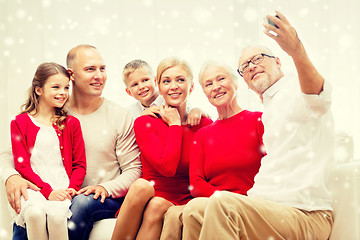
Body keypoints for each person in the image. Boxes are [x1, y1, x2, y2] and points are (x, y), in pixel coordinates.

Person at [182, 11, 335, 240]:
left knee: (223, 206)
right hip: (267, 208)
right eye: (245, 66)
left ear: (278, 61)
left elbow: (318, 97)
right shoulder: (269, 111)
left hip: (305, 213)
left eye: (258, 58)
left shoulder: (294, 89)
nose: (251, 66)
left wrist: (297, 51)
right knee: (193, 211)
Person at [2, 44, 142, 240]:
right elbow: (11, 153)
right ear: (71, 74)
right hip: (54, 190)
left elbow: (134, 169)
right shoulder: (52, 107)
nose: (99, 76)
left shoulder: (119, 115)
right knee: (30, 210)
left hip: (101, 198)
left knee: (79, 205)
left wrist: (105, 188)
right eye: (90, 69)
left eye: (102, 69)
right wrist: (11, 177)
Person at [159, 62, 265, 240]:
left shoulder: (258, 120)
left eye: (221, 79)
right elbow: (196, 184)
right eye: (208, 84)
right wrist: (223, 200)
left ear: (236, 83)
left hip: (250, 204)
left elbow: (272, 168)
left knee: (191, 211)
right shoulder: (202, 134)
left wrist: (235, 201)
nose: (215, 87)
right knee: (174, 215)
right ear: (205, 92)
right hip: (215, 204)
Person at [111, 57, 213, 240]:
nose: (173, 86)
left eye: (180, 80)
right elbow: (167, 168)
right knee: (151, 197)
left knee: (157, 205)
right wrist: (175, 126)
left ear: (191, 87)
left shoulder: (203, 123)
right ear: (159, 87)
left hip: (184, 196)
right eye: (166, 81)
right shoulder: (144, 121)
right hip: (152, 192)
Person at [9, 62, 86, 240]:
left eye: (66, 87)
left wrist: (71, 189)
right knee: (34, 214)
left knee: (57, 217)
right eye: (56, 87)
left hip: (62, 186)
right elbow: (22, 166)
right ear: (39, 90)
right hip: (34, 186)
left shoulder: (71, 124)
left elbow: (80, 164)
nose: (63, 92)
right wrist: (46, 191)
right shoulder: (19, 122)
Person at [123, 59, 206, 125]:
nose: (141, 87)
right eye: (135, 84)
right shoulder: (130, 113)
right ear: (129, 92)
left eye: (145, 80)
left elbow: (187, 111)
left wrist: (197, 110)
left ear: (155, 81)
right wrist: (142, 118)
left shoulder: (169, 99)